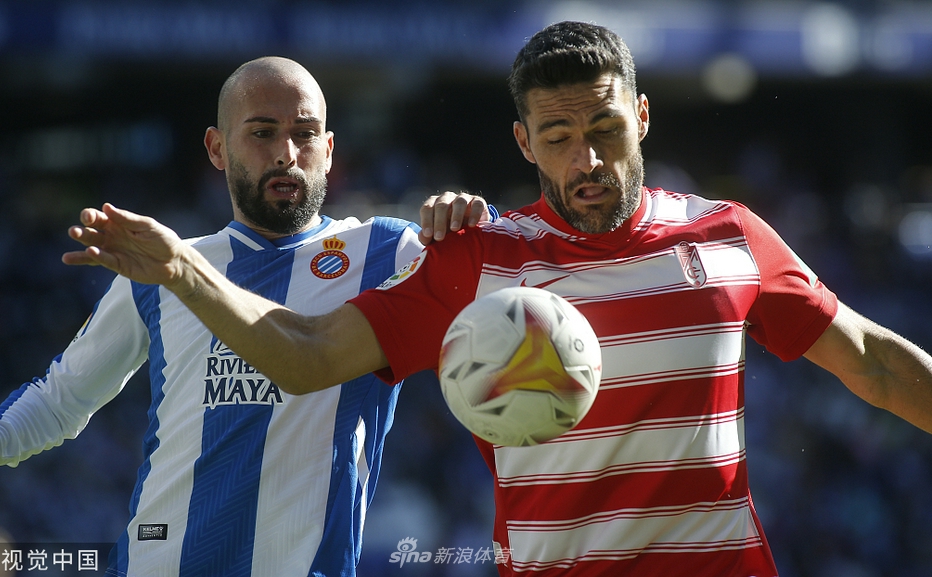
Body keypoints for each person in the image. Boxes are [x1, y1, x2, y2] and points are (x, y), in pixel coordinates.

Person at [60, 22, 932, 577]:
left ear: (643, 115)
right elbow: (306, 354)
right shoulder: (475, 260)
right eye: (558, 137)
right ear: (524, 141)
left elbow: (877, 364)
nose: (586, 161)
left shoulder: (730, 236)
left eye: (604, 130)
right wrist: (182, 271)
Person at [0, 56, 491, 576]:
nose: (286, 153)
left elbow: (510, 278)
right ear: (217, 149)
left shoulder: (389, 252)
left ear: (330, 150)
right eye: (263, 132)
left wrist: (472, 215)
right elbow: (60, 401)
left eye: (305, 133)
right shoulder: (159, 263)